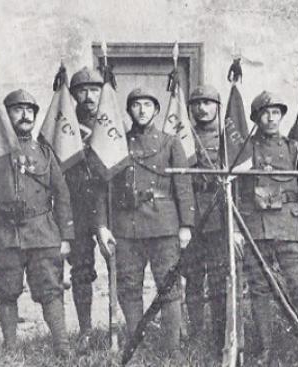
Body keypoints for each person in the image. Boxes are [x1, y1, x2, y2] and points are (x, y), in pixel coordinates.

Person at [0, 89, 74, 357]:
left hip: (42, 233)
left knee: (50, 289)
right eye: (18, 109)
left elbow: (62, 195)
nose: (25, 115)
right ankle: (11, 346)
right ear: (6, 115)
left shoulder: (46, 154)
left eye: (30, 110)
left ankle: (61, 345)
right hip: (4, 233)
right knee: (7, 291)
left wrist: (65, 237)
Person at [95, 87, 196, 356]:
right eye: (136, 105)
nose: (142, 110)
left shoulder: (170, 143)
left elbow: (183, 185)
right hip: (126, 226)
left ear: (157, 110)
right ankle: (135, 343)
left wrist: (186, 225)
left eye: (147, 105)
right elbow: (104, 189)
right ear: (128, 111)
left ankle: (170, 348)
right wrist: (103, 225)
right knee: (128, 287)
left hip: (164, 224)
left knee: (169, 286)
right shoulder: (116, 144)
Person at [235, 91, 298, 365]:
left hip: (290, 227)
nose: (271, 118)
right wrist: (237, 229)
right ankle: (265, 350)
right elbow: (235, 189)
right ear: (256, 118)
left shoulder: (295, 149)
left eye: (276, 112)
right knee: (259, 289)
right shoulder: (245, 150)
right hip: (255, 229)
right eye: (265, 112)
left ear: (282, 116)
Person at [181, 84, 232, 346]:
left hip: (218, 214)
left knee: (217, 276)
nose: (202, 108)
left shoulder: (227, 139)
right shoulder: (182, 137)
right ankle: (196, 332)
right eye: (196, 103)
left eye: (208, 103)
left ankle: (219, 332)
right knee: (192, 275)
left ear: (218, 107)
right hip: (189, 213)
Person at [65, 66, 107, 343]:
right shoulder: (64, 128)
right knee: (80, 269)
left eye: (94, 90)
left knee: (121, 264)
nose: (89, 96)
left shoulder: (114, 127)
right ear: (73, 95)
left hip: (110, 205)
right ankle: (86, 330)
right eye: (82, 90)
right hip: (77, 206)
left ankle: (119, 324)